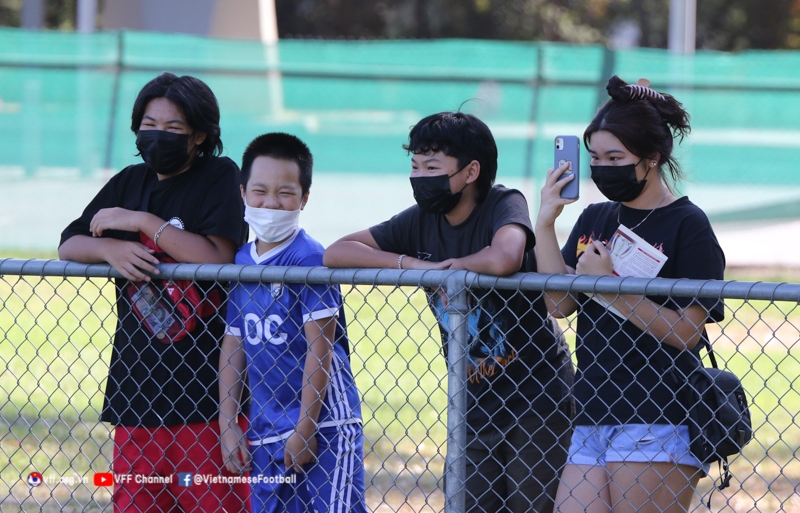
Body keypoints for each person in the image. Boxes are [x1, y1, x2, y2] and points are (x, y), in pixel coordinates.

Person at [323, 112, 575, 513]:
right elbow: (336, 252)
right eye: (415, 167)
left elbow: (506, 255)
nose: (421, 177)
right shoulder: (422, 220)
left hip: (537, 400)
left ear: (471, 171)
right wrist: (417, 266)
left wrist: (453, 268)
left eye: (432, 167)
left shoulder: (503, 203)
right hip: (471, 405)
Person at [534, 76, 726, 513]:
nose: (603, 169)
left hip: (659, 410)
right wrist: (545, 223)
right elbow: (558, 304)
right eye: (596, 158)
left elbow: (686, 333)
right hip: (593, 408)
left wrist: (612, 289)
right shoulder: (595, 216)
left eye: (616, 157)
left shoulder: (687, 225)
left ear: (652, 157)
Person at [59, 73, 249, 512]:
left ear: (199, 134)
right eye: (149, 124)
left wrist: (143, 223)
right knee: (138, 503)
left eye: (173, 129)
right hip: (136, 391)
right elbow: (69, 242)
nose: (157, 136)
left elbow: (217, 256)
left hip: (204, 392)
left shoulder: (219, 176)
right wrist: (109, 247)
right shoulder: (129, 181)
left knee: (213, 502)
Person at [219, 133, 365, 513]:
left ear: (303, 198)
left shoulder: (309, 258)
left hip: (323, 425)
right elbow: (234, 344)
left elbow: (322, 348)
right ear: (243, 193)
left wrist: (306, 428)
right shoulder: (241, 262)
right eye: (260, 191)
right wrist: (228, 422)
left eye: (285, 193)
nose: (271, 203)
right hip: (265, 429)